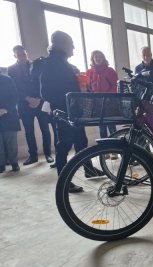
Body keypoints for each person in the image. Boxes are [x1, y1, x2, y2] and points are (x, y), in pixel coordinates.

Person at [37, 30, 103, 193]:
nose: (73, 47)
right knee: (64, 146)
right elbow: (45, 92)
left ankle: (88, 169)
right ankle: (64, 181)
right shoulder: (50, 64)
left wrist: (81, 88)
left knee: (81, 142)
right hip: (64, 112)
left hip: (74, 111)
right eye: (71, 43)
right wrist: (68, 99)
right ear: (62, 45)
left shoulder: (66, 64)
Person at [7, 45, 53, 166]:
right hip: (24, 104)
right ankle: (33, 156)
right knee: (29, 131)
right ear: (15, 56)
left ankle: (48, 154)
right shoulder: (11, 69)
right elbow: (14, 88)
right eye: (19, 55)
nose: (23, 57)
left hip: (40, 102)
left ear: (27, 53)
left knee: (45, 129)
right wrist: (27, 98)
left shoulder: (37, 64)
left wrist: (38, 98)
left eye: (24, 54)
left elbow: (42, 82)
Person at [86, 50, 118, 138]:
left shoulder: (110, 70)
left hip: (109, 102)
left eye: (100, 56)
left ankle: (115, 147)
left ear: (103, 58)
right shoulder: (89, 72)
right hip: (97, 103)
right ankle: (104, 148)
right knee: (101, 126)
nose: (98, 58)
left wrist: (108, 97)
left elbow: (115, 86)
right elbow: (88, 87)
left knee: (111, 125)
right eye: (96, 57)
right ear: (92, 58)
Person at [0, 73, 21, 173]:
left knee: (11, 141)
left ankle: (14, 163)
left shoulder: (7, 79)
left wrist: (5, 109)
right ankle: (1, 164)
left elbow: (15, 97)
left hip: (9, 115)